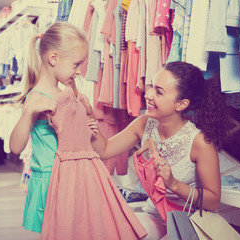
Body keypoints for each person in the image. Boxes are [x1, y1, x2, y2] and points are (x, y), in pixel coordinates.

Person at [10, 22, 147, 240]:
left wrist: (89, 120)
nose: (78, 72)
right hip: (50, 181)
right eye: (76, 65)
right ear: (54, 58)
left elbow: (77, 135)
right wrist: (28, 113)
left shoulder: (68, 92)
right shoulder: (36, 97)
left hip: (74, 178)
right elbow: (15, 147)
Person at [90, 61, 230, 239]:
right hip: (154, 215)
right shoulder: (144, 124)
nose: (148, 95)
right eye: (151, 87)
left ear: (181, 104)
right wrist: (88, 118)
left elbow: (213, 201)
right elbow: (105, 150)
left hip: (188, 221)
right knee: (119, 232)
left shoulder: (200, 142)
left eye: (158, 91)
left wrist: (174, 184)